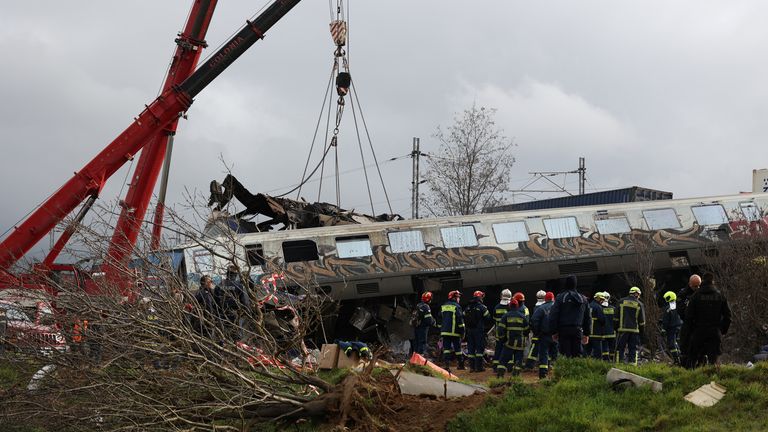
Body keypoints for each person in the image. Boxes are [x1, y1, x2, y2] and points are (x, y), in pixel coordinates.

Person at [682, 273, 732, 368]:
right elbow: (728, 316)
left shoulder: (695, 296)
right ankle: (714, 379)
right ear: (713, 281)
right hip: (714, 332)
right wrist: (722, 330)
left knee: (693, 359)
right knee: (714, 360)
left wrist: (690, 331)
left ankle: (689, 378)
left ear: (702, 281)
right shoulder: (719, 295)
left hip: (698, 331)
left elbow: (688, 317)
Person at [550, 275, 591, 358]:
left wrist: (554, 331)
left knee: (565, 355)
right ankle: (576, 370)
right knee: (577, 355)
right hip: (578, 330)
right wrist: (587, 334)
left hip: (563, 330)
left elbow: (553, 315)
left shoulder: (560, 297)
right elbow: (588, 318)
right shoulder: (583, 299)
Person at [215, 266, 251, 341]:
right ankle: (238, 348)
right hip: (236, 314)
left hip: (223, 314)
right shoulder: (239, 285)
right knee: (238, 335)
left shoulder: (218, 286)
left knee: (224, 335)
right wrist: (248, 312)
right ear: (235, 274)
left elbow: (215, 301)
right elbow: (245, 302)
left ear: (227, 274)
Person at [496, 298, 529, 377]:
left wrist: (502, 339)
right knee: (518, 361)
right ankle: (515, 377)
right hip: (520, 344)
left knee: (503, 361)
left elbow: (500, 330)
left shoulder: (505, 316)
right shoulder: (522, 316)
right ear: (517, 306)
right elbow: (527, 330)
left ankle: (500, 376)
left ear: (510, 306)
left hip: (509, 343)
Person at [616, 287, 645, 365]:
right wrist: (642, 333)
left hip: (622, 329)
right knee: (633, 348)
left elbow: (615, 317)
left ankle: (619, 363)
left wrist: (616, 328)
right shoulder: (639, 304)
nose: (639, 296)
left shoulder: (621, 301)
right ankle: (632, 364)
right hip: (634, 330)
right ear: (636, 293)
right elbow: (642, 322)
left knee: (620, 347)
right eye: (638, 294)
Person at [464, 290, 491, 372]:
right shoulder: (482, 307)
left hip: (469, 331)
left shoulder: (468, 307)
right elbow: (488, 318)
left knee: (471, 349)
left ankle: (471, 367)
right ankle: (479, 367)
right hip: (479, 331)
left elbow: (463, 316)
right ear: (480, 297)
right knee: (479, 349)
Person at [678, 274, 701, 367]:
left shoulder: (702, 293)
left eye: (699, 285)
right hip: (688, 325)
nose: (697, 288)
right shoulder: (683, 294)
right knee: (686, 347)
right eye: (695, 286)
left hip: (699, 325)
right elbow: (680, 309)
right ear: (690, 284)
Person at [531, 291, 555, 379]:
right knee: (555, 354)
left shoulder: (541, 308)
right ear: (553, 298)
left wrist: (536, 332)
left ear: (545, 299)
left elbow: (534, 320)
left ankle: (543, 375)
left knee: (544, 354)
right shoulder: (558, 307)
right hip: (556, 336)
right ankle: (556, 373)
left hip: (544, 335)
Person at [440, 290, 466, 370]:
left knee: (446, 349)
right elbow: (460, 320)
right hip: (455, 332)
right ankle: (460, 365)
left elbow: (439, 318)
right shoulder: (457, 307)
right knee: (458, 349)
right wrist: (463, 331)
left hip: (445, 332)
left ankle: (446, 366)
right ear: (454, 298)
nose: (459, 299)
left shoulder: (443, 306)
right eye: (458, 297)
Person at [525, 290, 547, 369]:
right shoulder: (545, 307)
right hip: (543, 332)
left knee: (534, 349)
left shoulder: (536, 307)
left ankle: (529, 364)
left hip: (536, 332)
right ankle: (546, 364)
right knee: (545, 349)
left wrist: (535, 331)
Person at [660, 291, 683, 365]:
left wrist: (663, 329)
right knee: (675, 342)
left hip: (671, 328)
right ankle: (680, 358)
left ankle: (677, 360)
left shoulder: (668, 308)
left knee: (671, 344)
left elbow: (665, 320)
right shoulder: (678, 306)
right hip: (679, 327)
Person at [492, 289, 512, 370]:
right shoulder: (511, 307)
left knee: (498, 350)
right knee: (509, 350)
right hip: (508, 334)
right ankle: (509, 367)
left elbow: (494, 319)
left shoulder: (496, 307)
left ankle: (496, 367)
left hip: (498, 334)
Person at [599, 292, 617, 361]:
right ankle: (612, 361)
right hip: (612, 333)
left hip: (603, 333)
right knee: (612, 348)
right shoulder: (613, 309)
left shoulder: (599, 308)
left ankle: (606, 361)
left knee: (604, 348)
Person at [588, 292, 607, 359]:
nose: (602, 301)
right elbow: (602, 320)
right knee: (598, 352)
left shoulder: (588, 305)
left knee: (587, 351)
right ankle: (597, 365)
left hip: (588, 333)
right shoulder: (598, 307)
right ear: (598, 298)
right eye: (602, 299)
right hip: (596, 333)